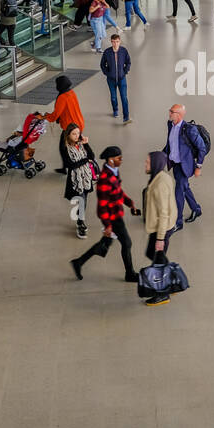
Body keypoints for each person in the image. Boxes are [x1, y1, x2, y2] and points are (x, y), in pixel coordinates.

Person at [70, 145, 142, 284]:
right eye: (118, 158)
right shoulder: (104, 179)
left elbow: (118, 191)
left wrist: (129, 202)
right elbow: (101, 206)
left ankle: (78, 262)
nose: (121, 160)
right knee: (127, 243)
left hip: (116, 214)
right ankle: (130, 274)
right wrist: (107, 225)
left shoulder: (114, 171)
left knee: (105, 244)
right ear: (110, 160)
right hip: (112, 218)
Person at [164, 103, 208, 229]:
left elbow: (202, 148)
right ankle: (196, 209)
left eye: (171, 111)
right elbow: (170, 143)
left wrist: (198, 167)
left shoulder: (189, 129)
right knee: (185, 187)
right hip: (175, 164)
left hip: (185, 165)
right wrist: (161, 156)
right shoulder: (170, 125)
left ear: (178, 115)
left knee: (178, 193)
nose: (169, 113)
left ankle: (177, 222)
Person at [141, 150, 178, 300]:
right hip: (160, 226)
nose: (145, 164)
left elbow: (164, 213)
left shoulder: (159, 185)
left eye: (148, 162)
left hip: (162, 228)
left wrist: (160, 238)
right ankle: (173, 281)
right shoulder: (162, 176)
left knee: (157, 260)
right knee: (154, 255)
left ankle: (162, 294)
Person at [62, 124, 97, 239]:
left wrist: (86, 144)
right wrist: (85, 160)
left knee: (84, 200)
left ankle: (79, 219)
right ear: (68, 135)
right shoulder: (66, 148)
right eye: (74, 134)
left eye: (78, 133)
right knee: (81, 200)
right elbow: (70, 165)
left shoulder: (81, 144)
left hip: (86, 177)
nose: (77, 136)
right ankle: (80, 222)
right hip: (76, 179)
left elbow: (92, 156)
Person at [45, 75, 85, 172]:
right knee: (71, 147)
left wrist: (45, 116)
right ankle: (67, 167)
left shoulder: (62, 97)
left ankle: (71, 167)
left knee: (64, 148)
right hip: (78, 123)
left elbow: (55, 115)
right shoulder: (71, 92)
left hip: (70, 128)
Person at [101, 33, 131, 122]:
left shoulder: (123, 51)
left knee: (124, 98)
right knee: (113, 97)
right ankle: (115, 110)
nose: (115, 44)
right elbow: (102, 64)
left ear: (120, 41)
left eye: (117, 42)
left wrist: (125, 72)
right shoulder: (107, 52)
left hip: (122, 79)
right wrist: (107, 73)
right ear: (111, 42)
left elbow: (128, 62)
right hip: (111, 79)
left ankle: (126, 117)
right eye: (113, 42)